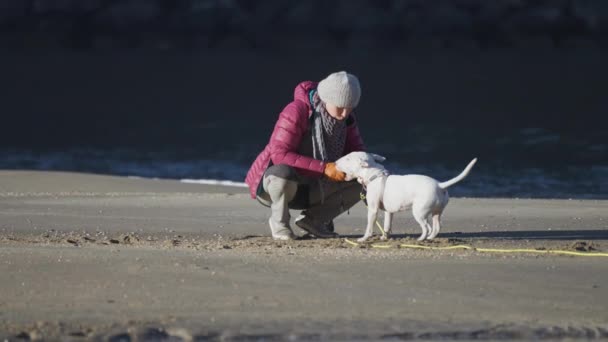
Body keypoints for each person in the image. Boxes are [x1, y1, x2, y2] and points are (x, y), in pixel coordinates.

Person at [245, 71, 366, 240]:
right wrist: (324, 168)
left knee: (363, 180)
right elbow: (279, 154)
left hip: (315, 188)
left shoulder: (347, 120)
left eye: (350, 107)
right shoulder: (297, 111)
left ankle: (314, 220)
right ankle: (280, 224)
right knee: (282, 173)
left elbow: (357, 154)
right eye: (340, 106)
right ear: (326, 99)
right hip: (277, 187)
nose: (345, 113)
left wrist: (372, 171)